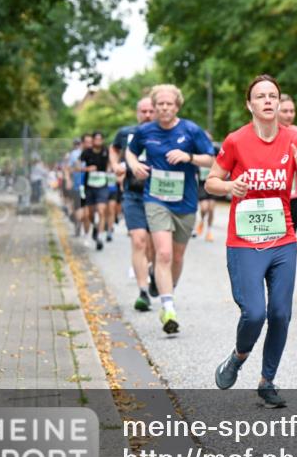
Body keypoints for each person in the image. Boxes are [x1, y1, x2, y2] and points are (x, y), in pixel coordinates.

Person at [209, 74, 297, 407]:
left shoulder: (296, 139)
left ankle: (267, 380)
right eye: (261, 96)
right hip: (244, 242)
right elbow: (212, 181)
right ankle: (238, 357)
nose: (269, 101)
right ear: (250, 104)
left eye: (273, 95)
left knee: (281, 314)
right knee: (255, 313)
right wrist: (230, 187)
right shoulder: (236, 141)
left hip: (283, 239)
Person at [126, 84, 215, 334]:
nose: (164, 108)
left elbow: (211, 158)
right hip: (155, 199)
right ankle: (168, 309)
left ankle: (167, 292)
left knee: (176, 256)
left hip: (185, 202)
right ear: (154, 107)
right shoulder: (144, 131)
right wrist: (134, 165)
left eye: (169, 104)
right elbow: (130, 152)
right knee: (163, 254)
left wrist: (189, 158)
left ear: (177, 106)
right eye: (160, 104)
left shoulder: (190, 130)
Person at [111, 97, 157, 311]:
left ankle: (155, 273)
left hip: (159, 196)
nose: (147, 115)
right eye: (143, 111)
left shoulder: (164, 133)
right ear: (137, 113)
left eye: (151, 111)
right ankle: (143, 291)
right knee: (138, 241)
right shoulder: (126, 133)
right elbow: (113, 148)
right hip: (133, 194)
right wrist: (116, 166)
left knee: (154, 245)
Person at [278, 93, 297, 234]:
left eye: (292, 111)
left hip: (294, 198)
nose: (289, 115)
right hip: (274, 197)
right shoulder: (268, 134)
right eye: (285, 111)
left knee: (289, 241)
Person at [81, 131, 112, 250]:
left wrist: (110, 169)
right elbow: (76, 167)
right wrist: (87, 168)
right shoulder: (86, 153)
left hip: (102, 185)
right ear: (93, 140)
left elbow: (111, 163)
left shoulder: (106, 151)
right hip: (89, 186)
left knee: (101, 210)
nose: (98, 141)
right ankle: (91, 229)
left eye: (100, 139)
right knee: (89, 213)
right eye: (96, 139)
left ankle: (99, 236)